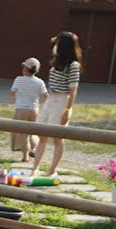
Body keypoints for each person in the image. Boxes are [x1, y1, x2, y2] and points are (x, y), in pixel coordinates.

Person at [30, 31, 82, 178]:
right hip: (51, 99)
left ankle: (52, 170)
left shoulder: (73, 65)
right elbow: (52, 41)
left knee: (57, 138)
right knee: (42, 135)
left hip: (62, 100)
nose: (55, 45)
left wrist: (67, 110)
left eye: (58, 43)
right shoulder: (57, 61)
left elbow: (73, 90)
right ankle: (35, 169)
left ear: (63, 46)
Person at [10, 57, 47, 162]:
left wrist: (15, 97)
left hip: (21, 109)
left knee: (22, 133)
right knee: (33, 131)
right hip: (34, 109)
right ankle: (34, 148)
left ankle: (25, 156)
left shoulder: (19, 79)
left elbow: (13, 92)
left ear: (25, 69)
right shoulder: (40, 82)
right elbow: (45, 95)